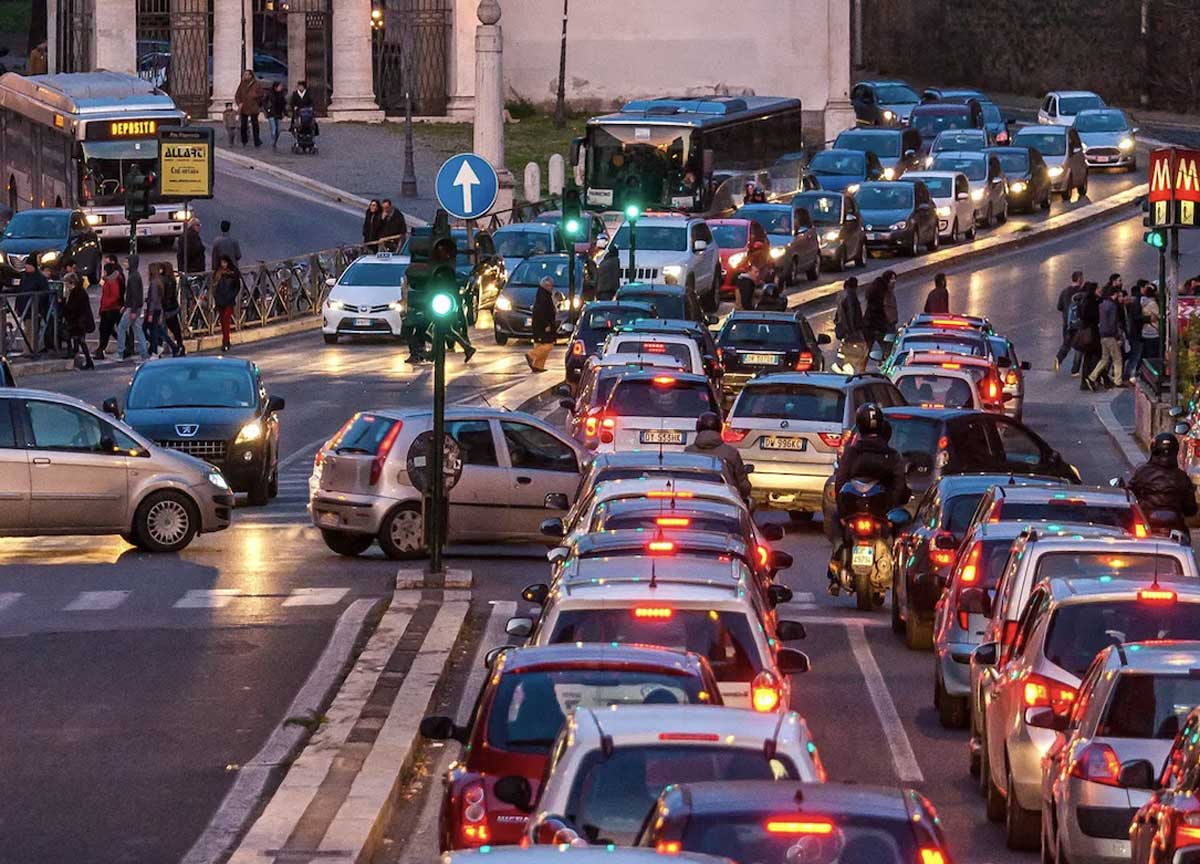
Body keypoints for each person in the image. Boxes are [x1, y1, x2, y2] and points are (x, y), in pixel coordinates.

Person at [828, 403, 910, 595]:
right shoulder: (891, 455)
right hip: (876, 515)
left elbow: (840, 481)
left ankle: (834, 571)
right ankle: (835, 567)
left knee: (836, 525)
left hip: (872, 516)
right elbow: (899, 486)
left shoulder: (852, 452)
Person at [1128, 433, 1197, 537]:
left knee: (1131, 536)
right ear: (1175, 452)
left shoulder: (1142, 473)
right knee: (1184, 542)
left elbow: (1129, 495)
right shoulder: (1182, 477)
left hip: (1147, 523)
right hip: (1175, 527)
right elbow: (1191, 509)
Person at [685, 411, 752, 500]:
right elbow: (743, 485)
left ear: (698, 428)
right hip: (725, 500)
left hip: (694, 498)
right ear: (720, 428)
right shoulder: (730, 452)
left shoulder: (689, 451)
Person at [1085, 283, 1123, 391]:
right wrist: (1117, 336)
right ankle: (1118, 381)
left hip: (1102, 335)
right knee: (1117, 359)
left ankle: (1092, 377)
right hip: (1110, 335)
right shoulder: (1112, 306)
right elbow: (1113, 323)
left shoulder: (1102, 304)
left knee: (1104, 358)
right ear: (1114, 294)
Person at [115, 254, 147, 360]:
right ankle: (144, 353)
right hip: (135, 307)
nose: (124, 264)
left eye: (126, 262)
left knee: (121, 328)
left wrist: (131, 309)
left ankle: (120, 352)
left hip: (133, 308)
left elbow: (134, 295)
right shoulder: (134, 275)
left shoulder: (133, 277)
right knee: (138, 330)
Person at [835, 276, 867, 372]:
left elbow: (838, 315)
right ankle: (857, 369)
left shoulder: (842, 297)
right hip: (852, 330)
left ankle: (847, 365)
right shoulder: (851, 297)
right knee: (861, 349)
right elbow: (852, 314)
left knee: (848, 349)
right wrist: (853, 330)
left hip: (846, 330)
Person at [525, 276, 557, 372]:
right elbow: (543, 311)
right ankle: (531, 355)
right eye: (551, 285)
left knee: (539, 344)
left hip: (539, 324)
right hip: (543, 324)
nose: (552, 287)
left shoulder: (543, 294)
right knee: (548, 345)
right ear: (546, 286)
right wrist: (546, 324)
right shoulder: (544, 296)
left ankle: (538, 366)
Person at [62, 272, 94, 369]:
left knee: (78, 339)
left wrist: (63, 302)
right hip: (80, 321)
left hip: (79, 321)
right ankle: (85, 360)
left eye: (66, 283)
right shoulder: (79, 291)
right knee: (79, 340)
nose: (66, 285)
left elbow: (73, 308)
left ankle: (87, 361)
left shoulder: (77, 293)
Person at [1072, 281, 1101, 385]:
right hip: (1091, 333)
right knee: (1096, 356)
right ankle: (1091, 378)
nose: (1100, 290)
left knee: (1088, 357)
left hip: (1086, 331)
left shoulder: (1083, 301)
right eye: (1098, 289)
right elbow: (1094, 317)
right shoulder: (1092, 303)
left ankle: (1086, 380)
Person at [1055, 270, 1084, 371]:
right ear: (1079, 279)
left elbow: (1059, 307)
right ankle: (1075, 369)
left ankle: (1058, 359)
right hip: (1078, 324)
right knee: (1079, 347)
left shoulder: (1064, 291)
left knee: (1066, 344)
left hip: (1066, 324)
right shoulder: (1082, 292)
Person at [95, 260, 123, 359]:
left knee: (105, 330)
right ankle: (101, 348)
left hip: (110, 309)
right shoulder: (108, 281)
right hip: (107, 309)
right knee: (107, 330)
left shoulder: (112, 282)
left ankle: (101, 349)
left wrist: (106, 305)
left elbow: (115, 296)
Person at [212, 255, 240, 352]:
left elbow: (237, 286)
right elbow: (214, 286)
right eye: (222, 263)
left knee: (226, 321)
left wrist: (231, 296)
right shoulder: (218, 273)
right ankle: (225, 340)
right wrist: (216, 297)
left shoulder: (233, 273)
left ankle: (225, 341)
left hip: (229, 301)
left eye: (225, 262)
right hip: (220, 301)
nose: (223, 265)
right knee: (223, 322)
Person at [1123, 280, 1146, 383]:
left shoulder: (1134, 300)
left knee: (1134, 353)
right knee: (1135, 355)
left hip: (1132, 332)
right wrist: (1148, 318)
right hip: (1136, 333)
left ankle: (1128, 374)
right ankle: (1128, 375)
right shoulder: (1138, 301)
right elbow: (1137, 317)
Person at [863, 275, 891, 356]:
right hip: (878, 328)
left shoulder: (870, 301)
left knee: (867, 349)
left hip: (868, 326)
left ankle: (861, 367)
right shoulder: (879, 304)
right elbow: (881, 316)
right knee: (887, 348)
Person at [235, 69, 263, 148]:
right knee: (243, 125)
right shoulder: (242, 84)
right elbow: (237, 95)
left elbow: (261, 94)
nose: (245, 76)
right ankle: (244, 140)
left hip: (254, 107)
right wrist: (239, 103)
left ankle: (257, 140)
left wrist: (255, 97)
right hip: (244, 107)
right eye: (245, 74)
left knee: (255, 125)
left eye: (247, 74)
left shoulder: (256, 84)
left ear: (251, 75)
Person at [161, 263, 185, 356]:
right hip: (173, 307)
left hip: (168, 309)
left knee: (164, 329)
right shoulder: (172, 279)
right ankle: (179, 346)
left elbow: (167, 296)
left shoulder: (166, 280)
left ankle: (175, 347)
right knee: (175, 329)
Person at [265, 81, 287, 148]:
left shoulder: (282, 94)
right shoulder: (269, 93)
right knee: (273, 129)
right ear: (275, 87)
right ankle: (273, 141)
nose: (281, 87)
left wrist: (285, 113)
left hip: (279, 113)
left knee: (278, 129)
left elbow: (284, 104)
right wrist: (267, 108)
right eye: (280, 86)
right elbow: (264, 101)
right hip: (271, 113)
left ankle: (275, 140)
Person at [1142, 283, 1161, 360]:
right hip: (1154, 332)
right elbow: (1159, 315)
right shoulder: (1153, 303)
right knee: (1153, 355)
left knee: (1148, 354)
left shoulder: (1144, 302)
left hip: (1145, 331)